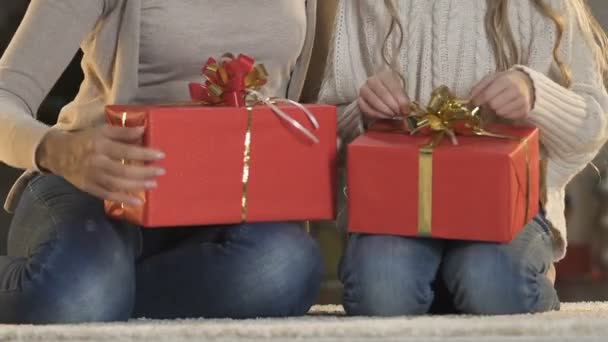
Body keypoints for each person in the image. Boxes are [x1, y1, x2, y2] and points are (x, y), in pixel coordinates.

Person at [0, 0, 322, 324]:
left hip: (223, 206)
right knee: (77, 299)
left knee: (284, 265)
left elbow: (305, 109)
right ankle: (93, 288)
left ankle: (106, 290)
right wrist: (59, 151)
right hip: (101, 186)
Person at [320, 0, 608, 316]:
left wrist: (535, 94)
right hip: (397, 204)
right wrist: (362, 110)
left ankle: (466, 286)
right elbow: (330, 127)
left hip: (507, 206)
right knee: (382, 290)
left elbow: (594, 122)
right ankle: (449, 289)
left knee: (489, 278)